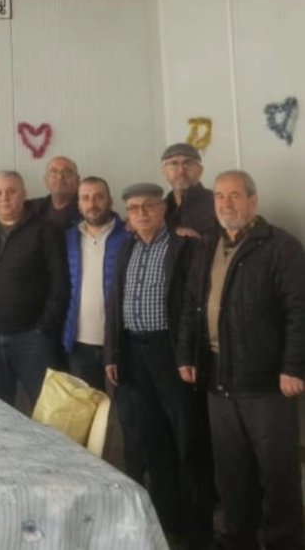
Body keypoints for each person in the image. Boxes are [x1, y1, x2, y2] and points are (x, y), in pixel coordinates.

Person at [177, 171, 305, 550]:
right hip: (218, 376)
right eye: (219, 196)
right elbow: (191, 306)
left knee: (277, 472)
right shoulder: (207, 246)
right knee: (231, 471)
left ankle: (283, 542)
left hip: (267, 381)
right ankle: (237, 540)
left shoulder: (281, 246)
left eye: (234, 195)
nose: (226, 204)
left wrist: (293, 367)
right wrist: (186, 354)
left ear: (253, 200)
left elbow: (299, 311)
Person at [104, 183, 213, 549]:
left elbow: (194, 306)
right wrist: (111, 353)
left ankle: (198, 532)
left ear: (163, 209)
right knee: (152, 442)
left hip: (171, 354)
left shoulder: (184, 246)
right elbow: (114, 303)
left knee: (189, 441)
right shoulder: (126, 247)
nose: (142, 213)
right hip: (133, 353)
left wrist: (187, 354)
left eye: (149, 205)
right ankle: (167, 525)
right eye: (134, 207)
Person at [0, 171, 68, 408]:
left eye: (11, 191)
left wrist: (45, 327)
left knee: (46, 410)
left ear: (24, 194)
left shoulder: (45, 231)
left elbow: (60, 282)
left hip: (32, 339)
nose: (5, 198)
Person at [63, 177, 131, 390]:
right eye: (85, 198)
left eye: (99, 197)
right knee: (87, 407)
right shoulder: (67, 238)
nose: (92, 204)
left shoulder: (130, 235)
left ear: (110, 200)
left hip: (122, 342)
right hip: (79, 342)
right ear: (78, 204)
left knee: (127, 405)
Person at [161, 143, 217, 237]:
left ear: (200, 171)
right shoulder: (160, 209)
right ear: (163, 172)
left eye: (188, 164)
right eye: (174, 164)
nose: (181, 171)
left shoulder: (217, 202)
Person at [28, 155, 81, 230]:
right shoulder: (32, 208)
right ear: (46, 181)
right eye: (54, 172)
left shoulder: (88, 208)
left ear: (77, 180)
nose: (60, 177)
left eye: (67, 172)